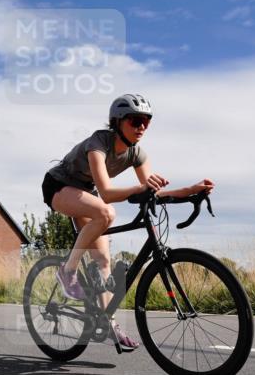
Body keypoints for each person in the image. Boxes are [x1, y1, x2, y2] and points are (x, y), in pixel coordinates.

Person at [41, 94, 215, 352]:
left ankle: (108, 322)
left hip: (87, 193)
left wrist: (190, 190)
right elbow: (108, 193)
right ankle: (67, 271)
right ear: (117, 122)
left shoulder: (137, 154)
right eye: (135, 121)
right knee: (106, 213)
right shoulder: (98, 142)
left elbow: (151, 191)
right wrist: (140, 187)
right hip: (59, 185)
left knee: (103, 261)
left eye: (146, 121)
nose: (141, 127)